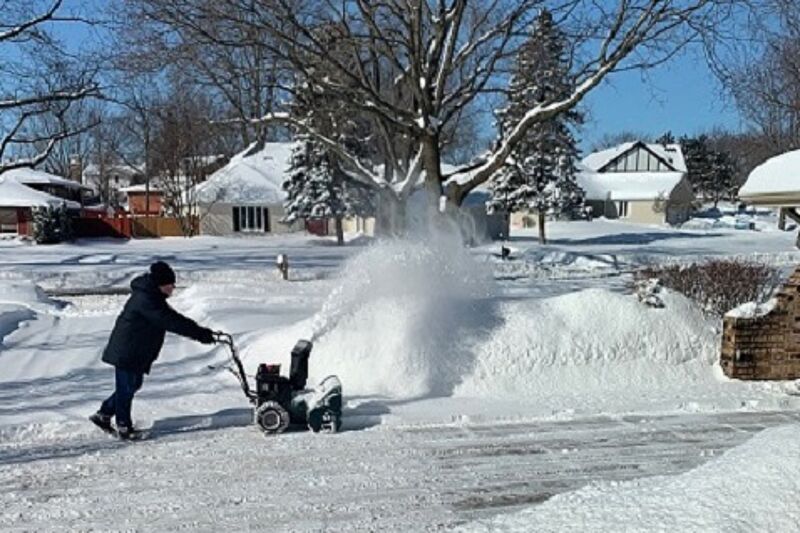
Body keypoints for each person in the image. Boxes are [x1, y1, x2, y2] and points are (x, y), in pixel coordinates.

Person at [90, 261, 216, 439]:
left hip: (135, 351)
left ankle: (103, 414)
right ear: (161, 284)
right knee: (126, 388)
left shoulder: (152, 296)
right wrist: (199, 333)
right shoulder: (147, 299)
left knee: (132, 385)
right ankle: (123, 426)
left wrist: (201, 332)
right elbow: (171, 321)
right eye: (170, 284)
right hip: (128, 351)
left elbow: (172, 317)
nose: (173, 287)